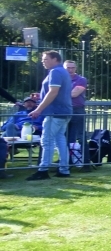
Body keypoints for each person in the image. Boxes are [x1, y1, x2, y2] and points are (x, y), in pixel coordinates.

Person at [25, 51, 74, 180]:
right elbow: (56, 92)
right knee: (60, 140)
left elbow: (53, 92)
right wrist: (41, 95)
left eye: (46, 59)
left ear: (55, 59)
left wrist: (38, 110)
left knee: (47, 141)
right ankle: (64, 170)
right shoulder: (62, 72)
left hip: (54, 112)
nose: (43, 62)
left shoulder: (55, 72)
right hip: (64, 111)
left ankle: (43, 170)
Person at [63, 60, 91, 172]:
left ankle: (86, 164)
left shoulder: (81, 79)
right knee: (64, 138)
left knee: (81, 137)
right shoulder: (61, 79)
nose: (70, 70)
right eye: (68, 68)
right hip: (65, 110)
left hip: (77, 110)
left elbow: (75, 94)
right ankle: (67, 161)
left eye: (72, 67)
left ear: (76, 68)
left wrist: (58, 94)